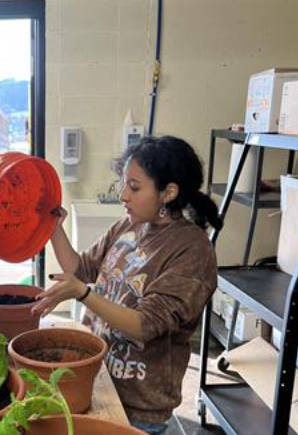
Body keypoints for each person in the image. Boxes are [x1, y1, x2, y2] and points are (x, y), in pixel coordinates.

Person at [33, 136, 222, 435]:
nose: (123, 196)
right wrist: (54, 228)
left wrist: (82, 294)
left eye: (134, 187)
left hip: (140, 402)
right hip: (99, 378)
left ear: (168, 193)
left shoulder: (192, 250)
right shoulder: (128, 226)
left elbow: (145, 325)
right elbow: (80, 269)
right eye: (124, 185)